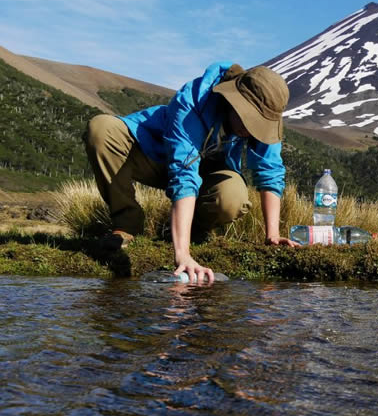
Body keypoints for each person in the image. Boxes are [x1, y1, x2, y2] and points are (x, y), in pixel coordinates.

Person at [84, 61, 300, 283]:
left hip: (208, 174)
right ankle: (127, 224)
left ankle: (191, 231)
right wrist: (182, 256)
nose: (250, 131)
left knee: (233, 197)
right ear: (233, 101)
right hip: (154, 156)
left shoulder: (268, 110)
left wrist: (272, 235)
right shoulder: (193, 101)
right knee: (102, 129)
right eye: (249, 120)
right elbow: (183, 173)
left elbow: (269, 171)